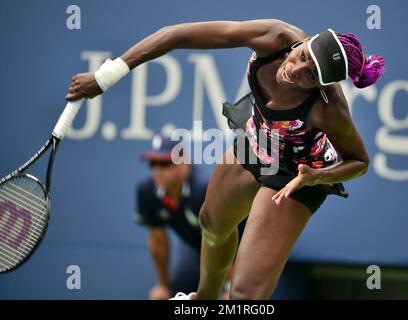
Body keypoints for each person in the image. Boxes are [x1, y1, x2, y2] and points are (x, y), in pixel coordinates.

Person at [66, 19, 384, 300]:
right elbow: (175, 35)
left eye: (310, 75)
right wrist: (106, 76)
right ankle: (202, 298)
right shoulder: (275, 37)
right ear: (305, 41)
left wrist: (313, 177)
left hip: (298, 174)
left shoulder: (329, 109)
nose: (295, 71)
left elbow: (359, 161)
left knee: (245, 294)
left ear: (323, 85)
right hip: (257, 142)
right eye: (302, 57)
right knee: (211, 225)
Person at [136, 135, 237, 300]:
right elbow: (158, 238)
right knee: (176, 294)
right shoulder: (146, 190)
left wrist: (231, 285)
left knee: (237, 298)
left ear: (183, 161)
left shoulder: (203, 189)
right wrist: (162, 285)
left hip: (236, 249)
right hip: (197, 247)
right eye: (152, 164)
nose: (157, 171)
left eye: (164, 163)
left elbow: (222, 238)